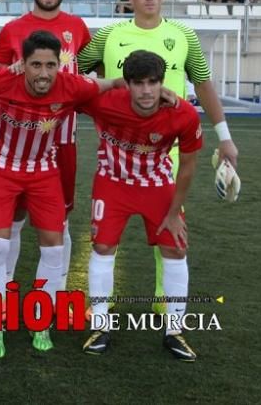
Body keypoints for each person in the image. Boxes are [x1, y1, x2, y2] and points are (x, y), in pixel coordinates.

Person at [0, 31, 127, 358]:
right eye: (36, 65)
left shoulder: (71, 85)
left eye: (50, 65)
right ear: (22, 64)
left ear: (60, 65)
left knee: (55, 249)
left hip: (43, 170)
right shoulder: (1, 79)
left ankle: (39, 320)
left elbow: (108, 84)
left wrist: (128, 85)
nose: (44, 73)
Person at [77, 0, 239, 314]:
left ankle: (168, 308)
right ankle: (101, 308)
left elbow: (204, 84)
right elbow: (76, 71)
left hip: (170, 151)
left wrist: (225, 137)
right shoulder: (109, 35)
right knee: (108, 235)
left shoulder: (183, 36)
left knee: (168, 231)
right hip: (118, 151)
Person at [80, 50, 202, 362]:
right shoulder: (104, 102)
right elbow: (73, 88)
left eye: (153, 82)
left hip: (157, 185)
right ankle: (101, 325)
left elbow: (187, 166)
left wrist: (174, 213)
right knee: (103, 247)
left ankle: (174, 330)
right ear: (128, 83)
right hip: (112, 182)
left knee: (175, 247)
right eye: (138, 83)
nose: (146, 91)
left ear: (162, 82)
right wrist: (111, 83)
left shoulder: (184, 113)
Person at [0, 0, 91, 298]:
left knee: (59, 219)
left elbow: (85, 76)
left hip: (62, 140)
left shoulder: (77, 27)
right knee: (13, 218)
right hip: (17, 146)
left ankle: (56, 294)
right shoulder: (12, 30)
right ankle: (3, 289)